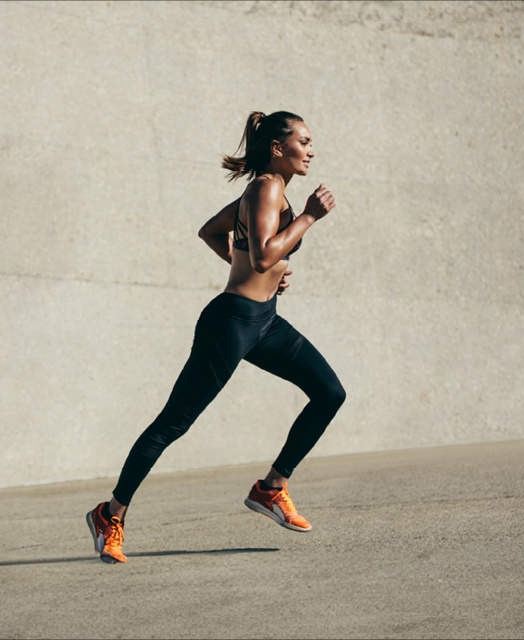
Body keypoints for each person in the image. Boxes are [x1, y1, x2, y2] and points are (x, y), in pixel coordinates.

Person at [85, 111, 346, 564]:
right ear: (278, 149)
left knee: (329, 392)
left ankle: (271, 488)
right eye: (304, 141)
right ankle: (111, 513)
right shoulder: (266, 188)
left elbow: (215, 234)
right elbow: (265, 255)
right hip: (231, 324)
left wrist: (252, 269)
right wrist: (307, 219)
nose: (312, 150)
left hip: (264, 320)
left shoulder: (271, 192)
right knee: (173, 423)